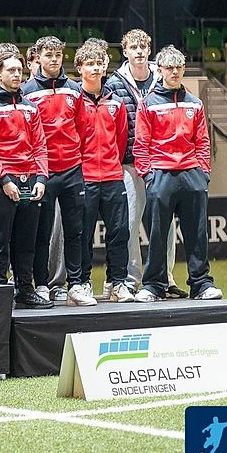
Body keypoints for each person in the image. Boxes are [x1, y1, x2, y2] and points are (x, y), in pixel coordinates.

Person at [133, 45, 222, 302]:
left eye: (179, 67)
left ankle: (201, 284)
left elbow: (202, 141)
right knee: (158, 235)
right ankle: (153, 286)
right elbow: (141, 143)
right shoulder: (148, 104)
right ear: (159, 70)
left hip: (192, 175)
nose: (174, 72)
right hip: (160, 175)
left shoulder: (194, 102)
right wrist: (148, 176)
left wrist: (203, 173)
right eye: (169, 67)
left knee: (197, 234)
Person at [105, 29, 185, 298]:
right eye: (133, 47)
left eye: (143, 47)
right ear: (125, 51)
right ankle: (131, 278)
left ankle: (166, 277)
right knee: (129, 222)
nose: (139, 51)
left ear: (149, 50)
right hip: (129, 161)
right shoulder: (114, 83)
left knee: (166, 223)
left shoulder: (162, 77)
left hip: (161, 162)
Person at [0, 48, 51, 309]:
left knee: (26, 241)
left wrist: (41, 178)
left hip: (30, 179)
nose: (17, 74)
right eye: (11, 70)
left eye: (19, 70)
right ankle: (0, 292)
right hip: (3, 182)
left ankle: (25, 290)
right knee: (1, 240)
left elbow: (40, 145)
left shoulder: (31, 107)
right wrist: (5, 180)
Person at [21, 36, 86, 303]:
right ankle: (42, 284)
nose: (54, 59)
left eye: (58, 54)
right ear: (38, 57)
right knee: (41, 232)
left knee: (75, 231)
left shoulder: (75, 89)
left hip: (72, 168)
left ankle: (76, 284)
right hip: (43, 172)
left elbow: (81, 127)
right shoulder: (26, 90)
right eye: (49, 55)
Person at [75, 44, 132, 304]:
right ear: (79, 68)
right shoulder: (75, 101)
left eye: (99, 63)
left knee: (119, 232)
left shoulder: (116, 102)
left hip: (112, 176)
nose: (95, 68)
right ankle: (83, 282)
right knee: (82, 234)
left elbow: (121, 140)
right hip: (84, 177)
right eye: (90, 64)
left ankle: (117, 283)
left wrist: (112, 165)